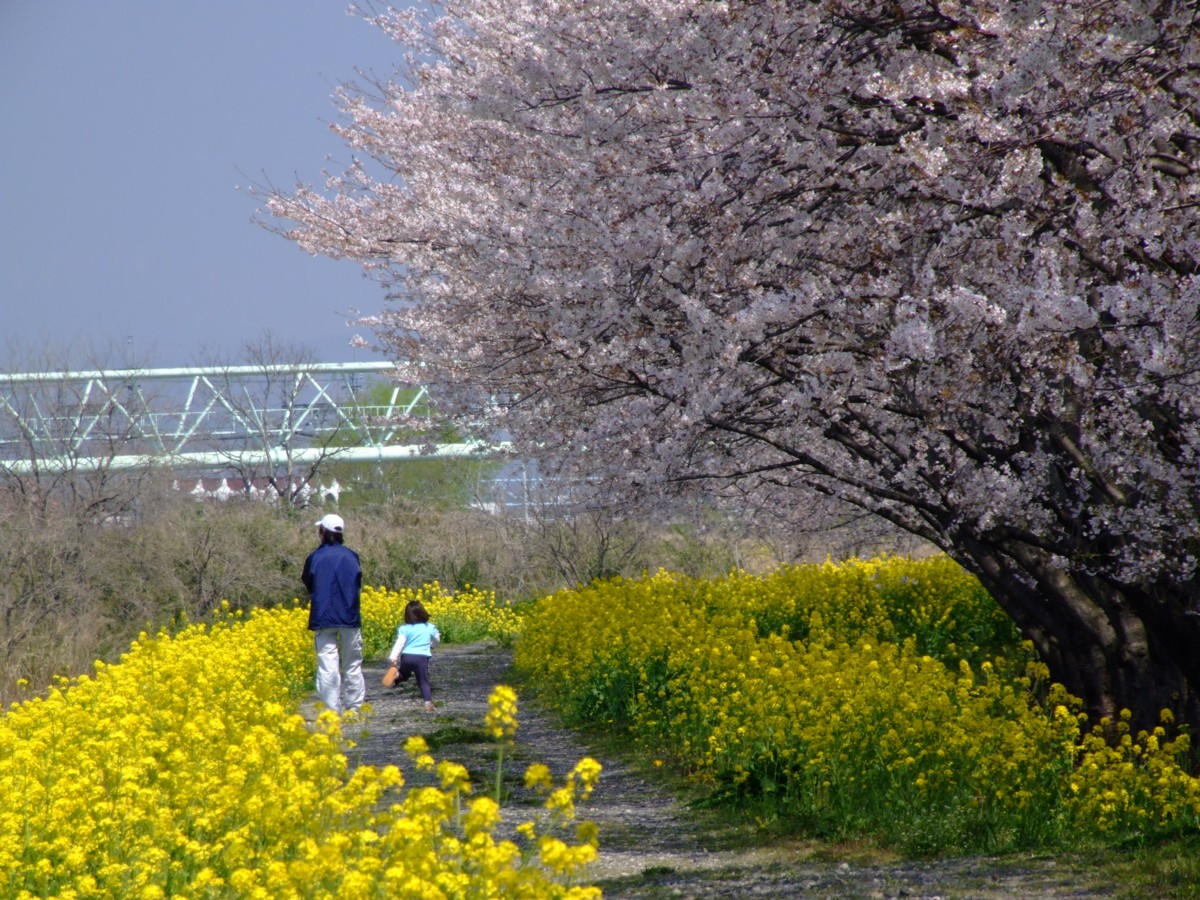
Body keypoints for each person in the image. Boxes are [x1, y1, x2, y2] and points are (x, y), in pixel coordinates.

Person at [301, 513, 366, 715]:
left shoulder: (314, 557)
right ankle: (354, 708)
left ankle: (332, 710)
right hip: (349, 616)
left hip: (323, 617)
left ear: (323, 532)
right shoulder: (352, 556)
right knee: (352, 665)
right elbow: (357, 583)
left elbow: (308, 582)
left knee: (328, 667)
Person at [387, 599, 441, 712]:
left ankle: (395, 678)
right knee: (423, 681)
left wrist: (393, 657)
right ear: (423, 612)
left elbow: (400, 643)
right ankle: (428, 703)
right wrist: (432, 646)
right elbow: (437, 639)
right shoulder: (429, 627)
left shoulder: (405, 628)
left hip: (406, 657)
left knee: (404, 675)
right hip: (421, 658)